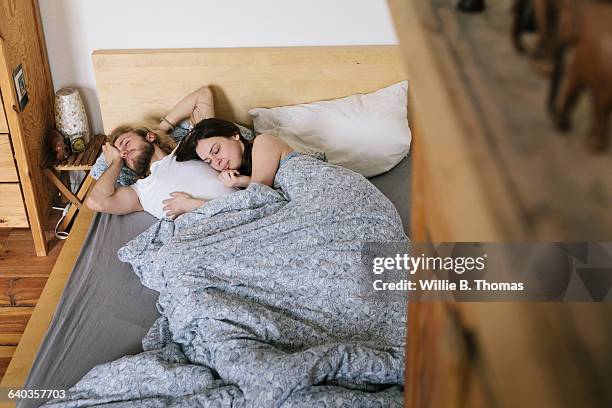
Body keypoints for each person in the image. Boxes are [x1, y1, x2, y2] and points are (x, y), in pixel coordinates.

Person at [85, 86, 236, 218]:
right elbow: (96, 201)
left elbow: (203, 95)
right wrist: (116, 162)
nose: (123, 152)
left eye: (126, 143)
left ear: (149, 136)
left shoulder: (189, 148)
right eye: (120, 153)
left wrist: (159, 130)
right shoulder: (139, 193)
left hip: (240, 214)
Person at [161, 117, 294, 218]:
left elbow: (257, 198)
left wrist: (190, 205)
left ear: (234, 135)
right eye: (208, 162)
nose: (216, 162)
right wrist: (242, 181)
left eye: (216, 150)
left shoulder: (263, 142)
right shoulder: (243, 179)